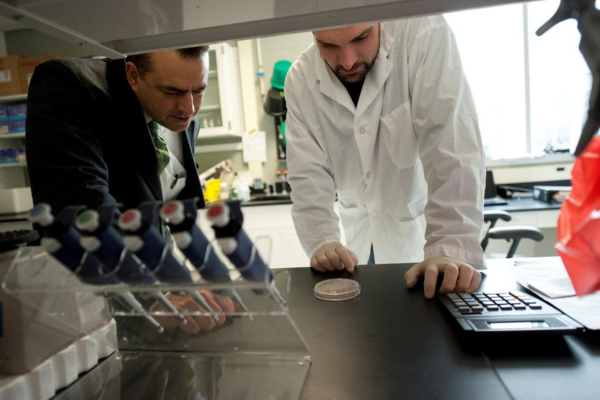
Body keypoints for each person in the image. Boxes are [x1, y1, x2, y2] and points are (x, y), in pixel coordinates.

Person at [25, 47, 235, 329]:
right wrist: (156, 293)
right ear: (133, 75)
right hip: (86, 305)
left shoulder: (182, 116)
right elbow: (81, 206)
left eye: (199, 89)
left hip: (159, 308)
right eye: (172, 91)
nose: (190, 107)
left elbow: (165, 207)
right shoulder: (69, 86)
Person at [284, 16, 485, 298]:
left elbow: (451, 144)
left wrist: (449, 246)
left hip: (423, 249)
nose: (348, 61)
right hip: (356, 254)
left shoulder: (422, 33)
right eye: (327, 45)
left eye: (361, 37)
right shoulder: (300, 80)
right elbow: (308, 177)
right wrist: (322, 241)